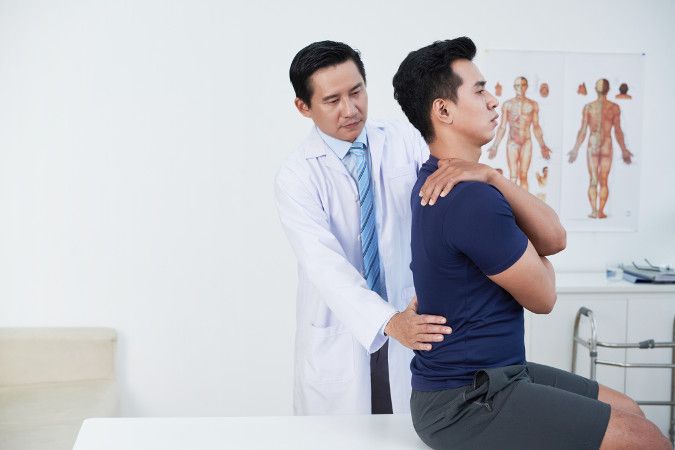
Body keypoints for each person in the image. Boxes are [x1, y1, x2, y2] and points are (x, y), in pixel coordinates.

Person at [393, 37, 670, 449]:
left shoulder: (454, 179)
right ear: (444, 110)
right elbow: (544, 296)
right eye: (480, 89)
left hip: (501, 372)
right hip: (464, 401)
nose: (493, 101)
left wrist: (495, 177)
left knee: (631, 410)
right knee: (645, 439)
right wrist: (530, 245)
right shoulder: (467, 198)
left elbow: (555, 237)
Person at [275, 41, 484, 415]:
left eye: (357, 92)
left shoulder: (405, 140)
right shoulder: (297, 176)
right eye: (332, 100)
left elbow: (453, 198)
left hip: (415, 318)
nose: (350, 109)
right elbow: (324, 265)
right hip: (345, 330)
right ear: (303, 107)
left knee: (409, 430)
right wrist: (388, 321)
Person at [568, 79, 634, 219]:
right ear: (608, 89)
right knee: (603, 180)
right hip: (606, 144)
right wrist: (624, 150)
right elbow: (617, 131)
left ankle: (594, 211)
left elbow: (583, 131)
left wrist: (575, 149)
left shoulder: (589, 107)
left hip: (593, 144)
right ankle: (600, 211)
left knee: (593, 179)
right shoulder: (614, 107)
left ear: (595, 89)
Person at [487, 76, 552, 192]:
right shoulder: (507, 104)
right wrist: (495, 146)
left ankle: (524, 208)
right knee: (513, 177)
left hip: (526, 142)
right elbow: (502, 127)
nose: (520, 88)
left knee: (523, 175)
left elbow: (536, 127)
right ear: (514, 87)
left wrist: (543, 145)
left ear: (526, 87)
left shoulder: (533, 105)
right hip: (512, 143)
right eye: (517, 85)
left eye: (522, 85)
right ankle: (512, 209)